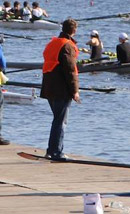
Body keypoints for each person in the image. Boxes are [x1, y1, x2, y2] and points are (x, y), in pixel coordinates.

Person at [41, 18, 80, 161]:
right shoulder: (67, 45)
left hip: (48, 87)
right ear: (74, 31)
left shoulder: (53, 42)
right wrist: (75, 90)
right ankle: (56, 152)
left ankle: (51, 151)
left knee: (57, 119)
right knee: (60, 121)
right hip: (61, 89)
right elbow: (70, 70)